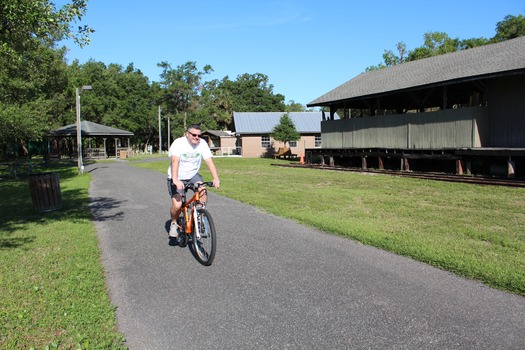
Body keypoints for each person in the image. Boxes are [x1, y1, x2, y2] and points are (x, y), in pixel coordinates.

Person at [167, 124, 220, 238]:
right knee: (177, 204)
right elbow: (175, 161)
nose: (197, 137)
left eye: (199, 135)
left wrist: (215, 178)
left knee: (203, 190)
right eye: (194, 135)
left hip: (192, 175)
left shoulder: (202, 144)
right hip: (177, 176)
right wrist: (175, 180)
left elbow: (209, 161)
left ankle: (200, 218)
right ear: (187, 134)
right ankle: (174, 223)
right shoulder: (178, 143)